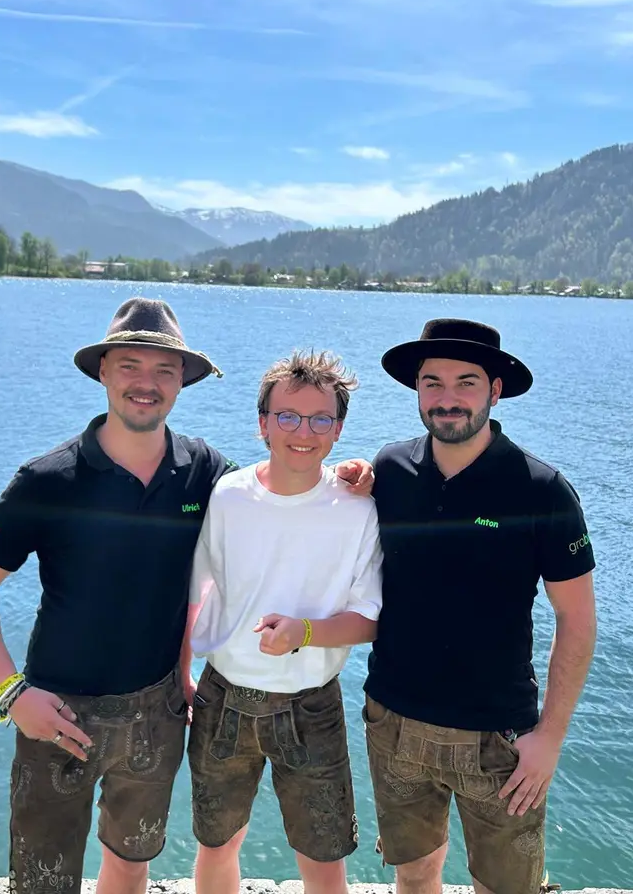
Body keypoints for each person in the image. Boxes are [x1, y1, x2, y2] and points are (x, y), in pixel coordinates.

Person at [0, 298, 374, 894]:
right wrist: (11, 692)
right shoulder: (46, 480)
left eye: (163, 370)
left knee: (131, 865)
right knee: (42, 879)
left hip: (158, 710)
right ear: (103, 371)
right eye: (130, 366)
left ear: (180, 383)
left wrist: (355, 474)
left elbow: (282, 485)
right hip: (57, 710)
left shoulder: (204, 473)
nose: (146, 383)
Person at [361, 318, 598, 894]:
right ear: (417, 390)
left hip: (499, 736)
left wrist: (550, 738)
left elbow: (577, 619)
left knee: (507, 887)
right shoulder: (388, 471)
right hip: (394, 720)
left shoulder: (541, 489)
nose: (447, 398)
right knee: (414, 874)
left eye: (466, 383)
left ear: (495, 390)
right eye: (432, 382)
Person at [186, 350, 384, 894]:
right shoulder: (228, 495)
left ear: (338, 430)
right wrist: (182, 672)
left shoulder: (358, 508)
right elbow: (196, 592)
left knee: (323, 857)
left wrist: (306, 633)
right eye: (288, 416)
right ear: (263, 424)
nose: (304, 432)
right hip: (222, 697)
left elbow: (369, 619)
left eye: (321, 419)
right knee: (217, 845)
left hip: (310, 704)